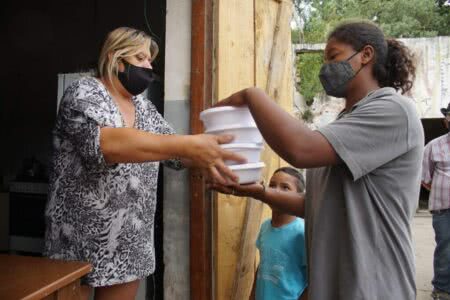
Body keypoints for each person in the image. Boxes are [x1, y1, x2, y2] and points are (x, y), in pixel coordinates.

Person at [212, 21, 423, 299]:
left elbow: (301, 149)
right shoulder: (344, 123)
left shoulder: (393, 111)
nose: (326, 68)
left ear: (366, 55)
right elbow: (318, 205)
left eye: (333, 57)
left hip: (374, 285)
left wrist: (253, 96)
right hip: (335, 284)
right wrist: (259, 192)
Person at [44, 27, 243, 300]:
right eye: (140, 58)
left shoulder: (144, 108)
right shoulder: (85, 91)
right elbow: (107, 145)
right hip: (75, 239)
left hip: (129, 242)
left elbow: (174, 153)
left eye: (150, 60)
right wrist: (191, 144)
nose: (149, 66)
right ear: (116, 58)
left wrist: (210, 159)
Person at [245, 167, 308, 300]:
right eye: (272, 185)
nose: (276, 192)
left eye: (285, 187)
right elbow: (263, 265)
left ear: (299, 196)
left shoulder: (302, 234)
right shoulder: (265, 226)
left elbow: (313, 281)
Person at [422, 102, 450, 300]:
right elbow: (425, 179)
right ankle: (441, 288)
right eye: (449, 115)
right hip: (443, 208)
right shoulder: (434, 146)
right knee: (445, 247)